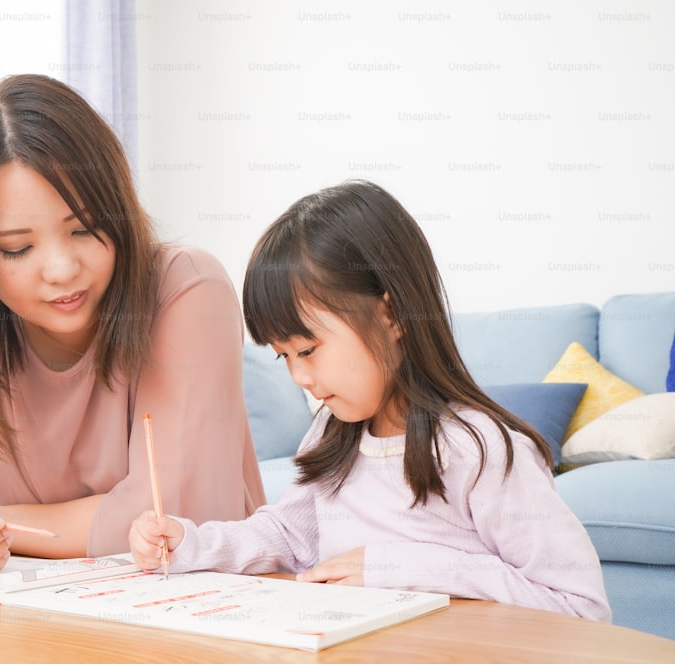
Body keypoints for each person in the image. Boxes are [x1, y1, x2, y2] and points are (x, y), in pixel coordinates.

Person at [129, 180, 611, 622]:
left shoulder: (479, 449)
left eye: (309, 349)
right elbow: (289, 536)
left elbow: (582, 609)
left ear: (392, 314)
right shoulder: (331, 432)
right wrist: (189, 544)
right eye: (284, 357)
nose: (300, 376)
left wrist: (405, 567)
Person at [0, 73, 265, 583]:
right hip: (38, 617)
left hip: (198, 609)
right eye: (17, 249)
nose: (63, 270)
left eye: (85, 227)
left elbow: (171, 517)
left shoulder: (187, 288)